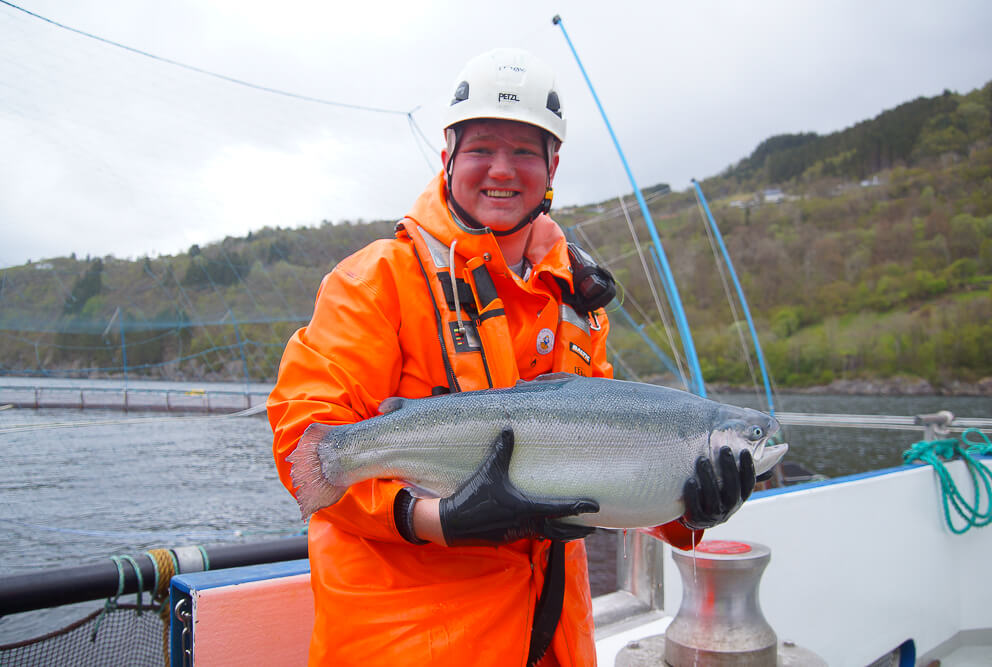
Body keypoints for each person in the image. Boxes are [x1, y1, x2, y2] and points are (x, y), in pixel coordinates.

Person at [268, 48, 756, 667]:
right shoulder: (374, 281)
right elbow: (304, 447)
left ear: (553, 166)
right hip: (407, 648)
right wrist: (436, 518)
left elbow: (611, 468)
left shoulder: (578, 303)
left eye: (525, 151)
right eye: (482, 149)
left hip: (553, 642)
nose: (503, 169)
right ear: (448, 157)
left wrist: (687, 510)